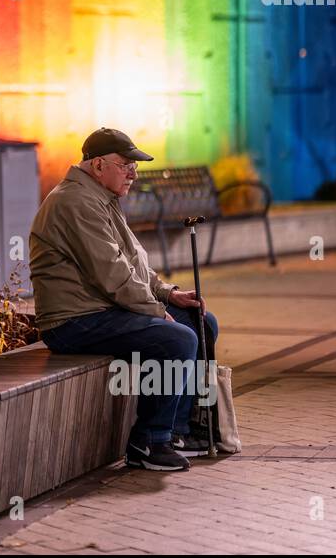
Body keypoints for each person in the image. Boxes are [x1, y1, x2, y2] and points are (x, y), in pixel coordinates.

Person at [29, 127, 220, 472]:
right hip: (73, 322)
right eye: (126, 164)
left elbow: (133, 262)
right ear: (99, 165)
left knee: (202, 322)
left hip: (102, 310)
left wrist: (168, 294)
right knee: (176, 338)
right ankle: (149, 440)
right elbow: (113, 275)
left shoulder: (101, 198)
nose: (133, 172)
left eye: (135, 165)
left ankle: (179, 430)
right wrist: (157, 312)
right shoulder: (75, 202)